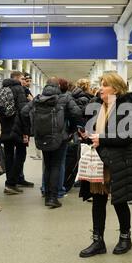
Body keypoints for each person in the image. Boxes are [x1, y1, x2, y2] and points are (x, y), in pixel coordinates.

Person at [78, 72, 132, 258]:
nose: (100, 88)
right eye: (100, 84)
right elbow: (95, 131)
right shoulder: (98, 107)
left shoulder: (127, 108)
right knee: (97, 200)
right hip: (100, 160)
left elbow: (129, 136)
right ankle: (98, 240)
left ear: (116, 88)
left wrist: (102, 138)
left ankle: (125, 237)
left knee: (120, 201)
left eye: (104, 85)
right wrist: (87, 135)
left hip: (120, 160)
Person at [21, 78, 81, 208]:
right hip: (61, 137)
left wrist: (31, 129)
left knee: (48, 165)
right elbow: (76, 112)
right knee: (56, 166)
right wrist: (72, 129)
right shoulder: (64, 98)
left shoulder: (37, 99)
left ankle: (47, 194)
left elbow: (24, 111)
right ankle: (53, 197)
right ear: (58, 86)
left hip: (42, 137)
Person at [0, 71, 29, 195]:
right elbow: (24, 111)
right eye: (22, 78)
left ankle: (10, 183)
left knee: (9, 156)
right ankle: (11, 183)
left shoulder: (2, 89)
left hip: (4, 128)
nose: (23, 80)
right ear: (16, 78)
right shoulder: (19, 89)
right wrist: (26, 131)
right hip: (17, 128)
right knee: (21, 154)